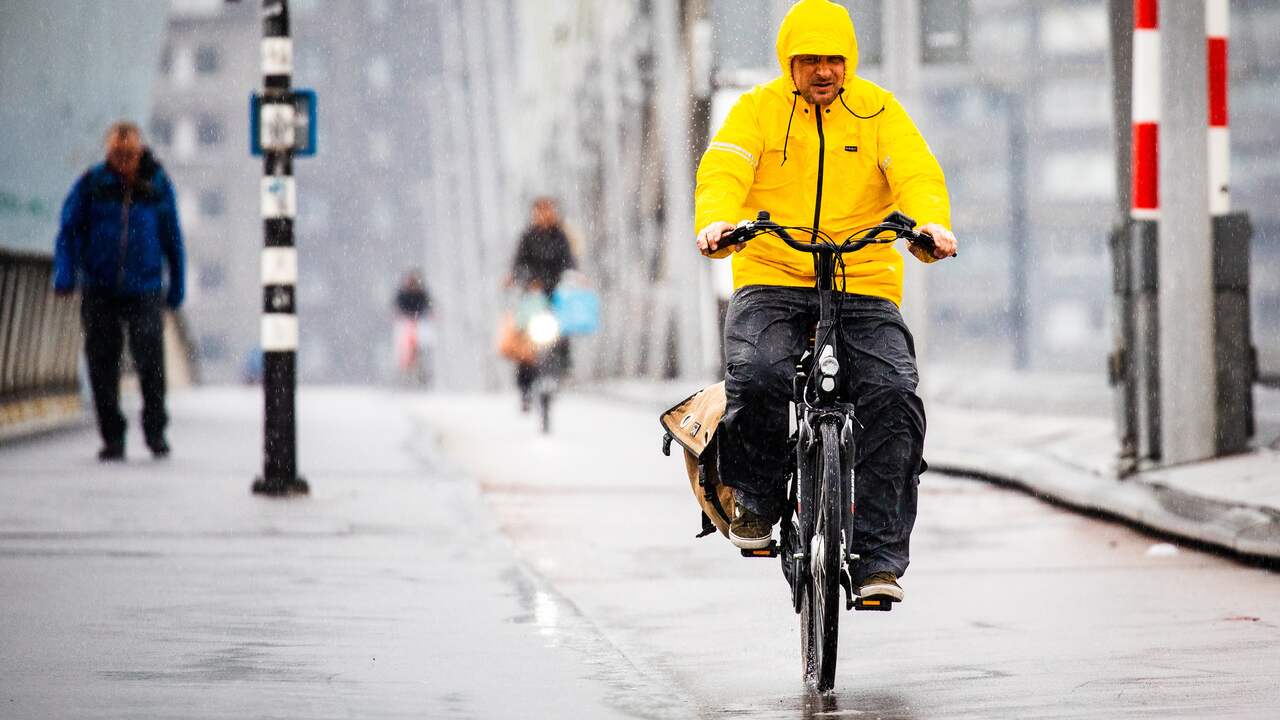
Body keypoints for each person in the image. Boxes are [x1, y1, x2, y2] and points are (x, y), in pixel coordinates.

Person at [693, 0, 957, 604]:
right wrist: (718, 221)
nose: (823, 70)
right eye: (809, 58)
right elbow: (724, 169)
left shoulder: (879, 112)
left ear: (849, 60)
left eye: (833, 58)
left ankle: (877, 557)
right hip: (773, 271)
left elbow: (915, 172)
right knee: (757, 373)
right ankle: (756, 498)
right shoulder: (757, 111)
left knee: (893, 393)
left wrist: (930, 224)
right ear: (789, 61)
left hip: (861, 277)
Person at [53, 121, 185, 461]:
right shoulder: (93, 184)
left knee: (150, 362)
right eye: (117, 154)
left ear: (140, 152)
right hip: (100, 286)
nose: (124, 160)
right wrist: (65, 275)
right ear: (108, 153)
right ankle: (113, 436)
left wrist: (177, 287)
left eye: (130, 154)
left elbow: (173, 237)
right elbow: (69, 231)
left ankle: (155, 430)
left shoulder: (156, 185)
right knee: (102, 363)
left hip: (145, 288)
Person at [507, 197, 576, 410]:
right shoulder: (528, 237)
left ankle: (563, 370)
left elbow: (570, 263)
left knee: (562, 333)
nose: (544, 215)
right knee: (525, 343)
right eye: (540, 211)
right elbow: (518, 264)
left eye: (548, 210)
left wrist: (572, 278)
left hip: (555, 297)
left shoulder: (561, 237)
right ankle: (525, 390)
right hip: (532, 299)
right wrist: (526, 280)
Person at [393, 269, 433, 384]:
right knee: (403, 345)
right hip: (406, 324)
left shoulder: (422, 294)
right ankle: (403, 368)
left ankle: (423, 367)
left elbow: (428, 307)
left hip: (419, 323)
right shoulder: (403, 295)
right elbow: (396, 308)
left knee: (424, 342)